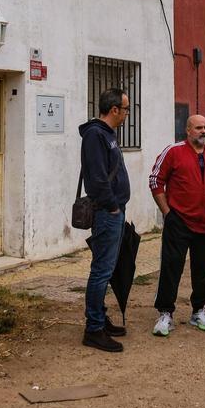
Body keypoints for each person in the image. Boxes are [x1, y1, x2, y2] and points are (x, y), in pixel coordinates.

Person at [148, 114, 205, 337]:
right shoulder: (173, 151)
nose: (203, 131)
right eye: (198, 128)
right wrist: (168, 214)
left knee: (204, 269)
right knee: (171, 266)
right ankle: (165, 313)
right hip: (179, 222)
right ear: (188, 130)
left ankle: (199, 311)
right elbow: (156, 180)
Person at [78, 88, 132, 352]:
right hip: (107, 213)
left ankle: (100, 318)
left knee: (106, 270)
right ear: (114, 110)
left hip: (115, 211)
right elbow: (98, 178)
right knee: (101, 271)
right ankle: (94, 328)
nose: (126, 114)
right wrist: (111, 206)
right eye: (125, 109)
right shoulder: (95, 135)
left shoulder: (106, 134)